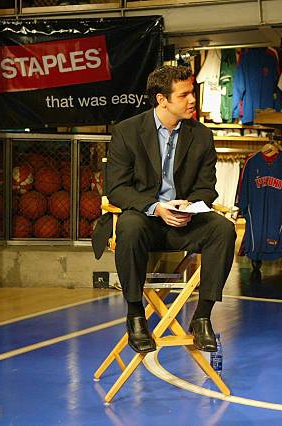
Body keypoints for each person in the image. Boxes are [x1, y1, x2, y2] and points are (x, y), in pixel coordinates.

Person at [92, 66, 236, 354]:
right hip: (145, 218)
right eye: (184, 95)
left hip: (184, 219)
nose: (192, 100)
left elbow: (207, 188)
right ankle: (135, 316)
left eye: (192, 92)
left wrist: (189, 205)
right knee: (129, 226)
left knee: (223, 229)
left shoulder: (202, 135)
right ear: (162, 100)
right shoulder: (127, 131)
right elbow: (118, 189)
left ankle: (202, 316)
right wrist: (156, 207)